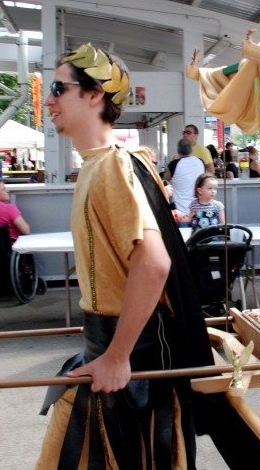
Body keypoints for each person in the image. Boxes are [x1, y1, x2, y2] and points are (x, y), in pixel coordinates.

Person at [37, 42, 215, 468]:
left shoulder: (112, 167)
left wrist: (117, 356)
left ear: (94, 94)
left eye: (58, 88)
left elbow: (153, 263)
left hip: (125, 362)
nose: (48, 100)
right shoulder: (101, 165)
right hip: (107, 350)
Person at [163, 138, 205, 217]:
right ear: (191, 149)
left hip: (179, 211)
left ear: (178, 150)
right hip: (198, 209)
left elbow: (164, 180)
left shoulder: (174, 164)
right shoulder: (201, 162)